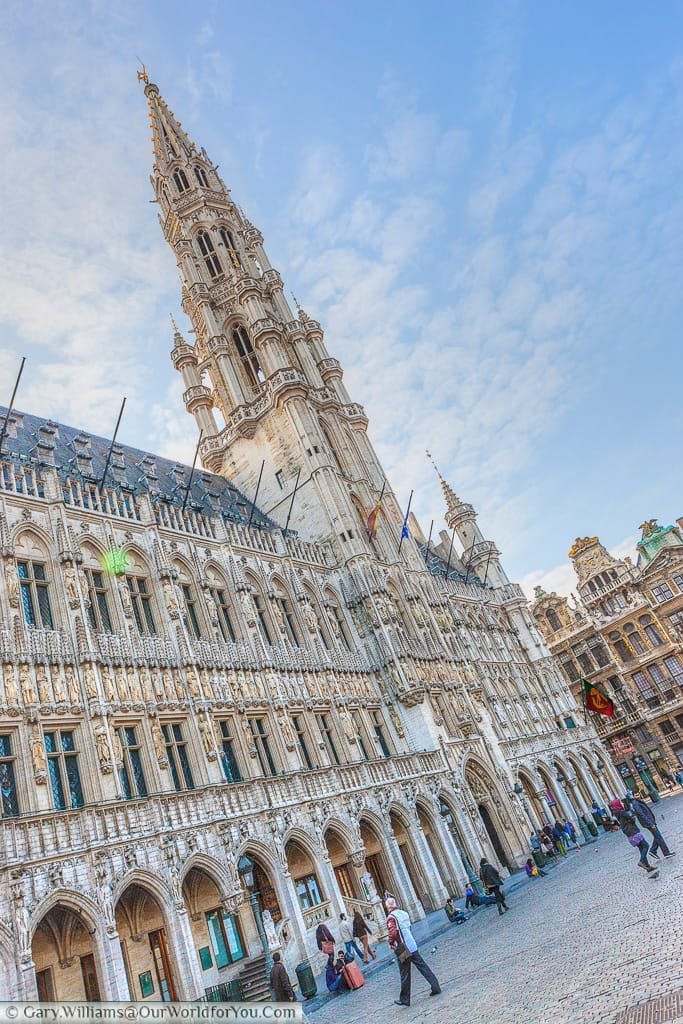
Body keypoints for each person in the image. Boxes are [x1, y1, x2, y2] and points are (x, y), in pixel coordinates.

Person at [385, 896, 441, 1006]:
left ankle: (405, 999)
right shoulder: (404, 913)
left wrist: (391, 942)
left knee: (404, 972)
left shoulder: (391, 917)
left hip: (403, 948)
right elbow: (409, 928)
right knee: (423, 966)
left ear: (388, 907)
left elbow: (393, 933)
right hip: (412, 944)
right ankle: (435, 986)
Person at [609, 799, 659, 877]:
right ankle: (642, 861)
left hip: (628, 833)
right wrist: (632, 816)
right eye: (620, 802)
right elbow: (632, 819)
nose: (622, 803)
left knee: (641, 848)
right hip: (633, 831)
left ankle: (647, 867)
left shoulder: (617, 813)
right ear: (618, 804)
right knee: (646, 845)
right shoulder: (622, 812)